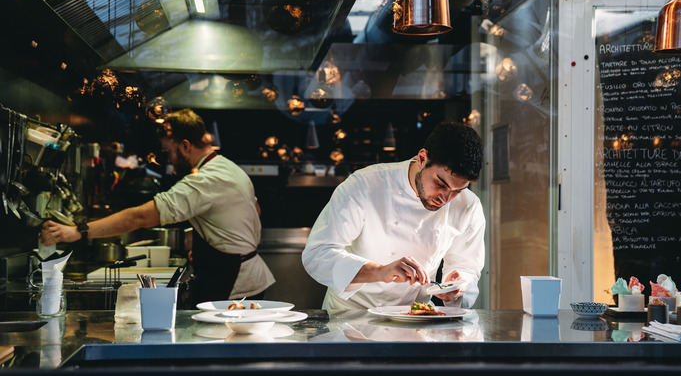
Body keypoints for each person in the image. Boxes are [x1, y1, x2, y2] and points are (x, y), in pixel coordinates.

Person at [39, 109, 275, 303]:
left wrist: (78, 231)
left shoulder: (203, 180)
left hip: (233, 283)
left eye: (168, 151)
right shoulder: (227, 167)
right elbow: (255, 211)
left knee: (216, 353)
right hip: (246, 277)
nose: (169, 160)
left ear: (185, 145)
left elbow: (140, 218)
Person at [302, 121, 485, 311]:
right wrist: (380, 271)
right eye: (440, 184)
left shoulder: (468, 205)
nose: (446, 198)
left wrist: (457, 285)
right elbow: (318, 253)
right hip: (350, 316)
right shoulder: (365, 185)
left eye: (458, 190)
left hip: (415, 317)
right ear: (422, 158)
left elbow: (467, 265)